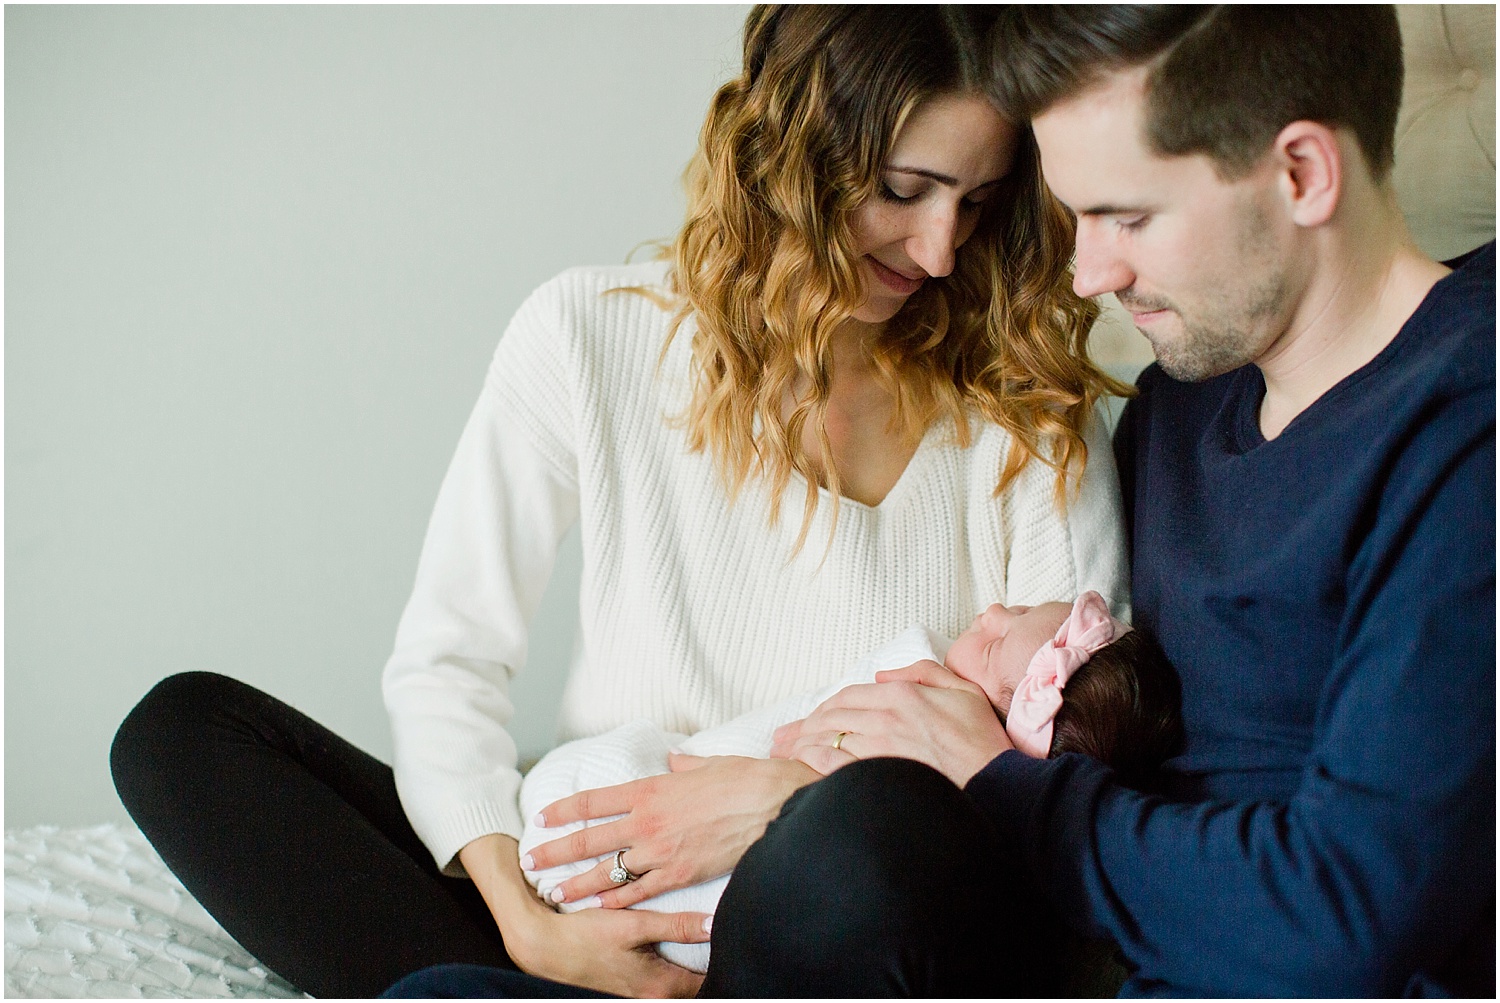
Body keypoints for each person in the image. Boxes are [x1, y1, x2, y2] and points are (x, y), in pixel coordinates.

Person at [109, 6, 1134, 998]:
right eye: (905, 190)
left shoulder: (1029, 418)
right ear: (795, 153)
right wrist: (531, 925)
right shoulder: (588, 337)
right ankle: (522, 987)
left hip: (825, 908)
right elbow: (448, 662)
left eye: (980, 201)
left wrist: (776, 801)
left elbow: (1068, 765)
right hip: (584, 898)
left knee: (871, 835)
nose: (942, 248)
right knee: (181, 733)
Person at [696, 5, 1494, 998]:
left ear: (1301, 174)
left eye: (1127, 217)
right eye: (1078, 217)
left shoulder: (1468, 422)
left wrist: (1000, 785)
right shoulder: (1173, 414)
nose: (1088, 274)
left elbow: (1349, 911)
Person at [516, 591, 1180, 973]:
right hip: (599, 809)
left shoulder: (952, 750)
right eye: (1020, 607)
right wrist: (525, 930)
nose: (994, 608)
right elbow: (786, 737)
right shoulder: (907, 666)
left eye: (990, 643)